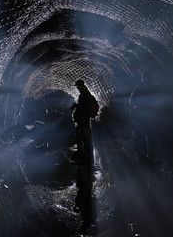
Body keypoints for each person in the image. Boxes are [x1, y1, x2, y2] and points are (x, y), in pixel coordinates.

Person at [70, 79, 97, 234]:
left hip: (83, 122)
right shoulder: (86, 95)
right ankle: (84, 155)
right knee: (83, 140)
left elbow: (83, 109)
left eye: (78, 86)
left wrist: (78, 114)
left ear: (81, 86)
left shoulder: (84, 95)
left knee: (82, 140)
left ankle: (84, 156)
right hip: (84, 121)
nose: (78, 89)